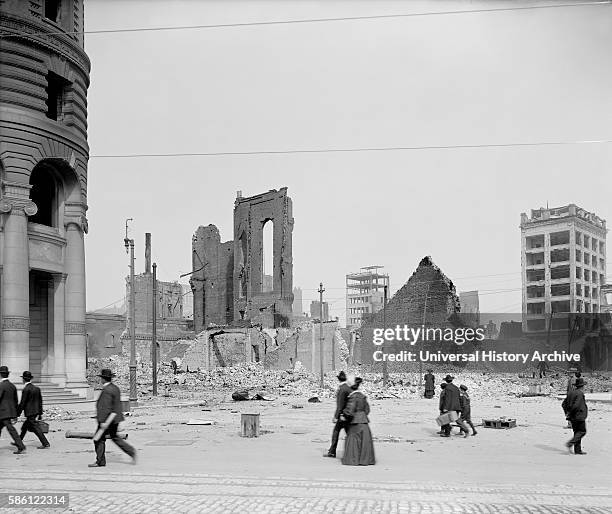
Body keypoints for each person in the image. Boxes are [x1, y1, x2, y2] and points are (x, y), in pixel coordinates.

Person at [89, 369, 136, 467]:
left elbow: (105, 407)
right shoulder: (115, 388)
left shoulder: (107, 390)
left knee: (98, 440)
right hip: (115, 418)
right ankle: (131, 451)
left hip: (107, 419)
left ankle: (100, 461)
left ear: (103, 379)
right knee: (114, 437)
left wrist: (102, 421)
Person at [341, 377, 375, 466]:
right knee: (365, 442)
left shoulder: (352, 397)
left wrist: (343, 414)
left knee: (353, 442)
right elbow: (367, 410)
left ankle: (353, 460)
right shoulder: (362, 396)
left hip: (355, 422)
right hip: (364, 421)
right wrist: (362, 415)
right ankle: (365, 460)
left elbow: (350, 411)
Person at [16, 371, 49, 449]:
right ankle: (18, 441)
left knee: (36, 428)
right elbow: (40, 401)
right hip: (36, 411)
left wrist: (18, 413)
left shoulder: (26, 389)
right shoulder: (37, 388)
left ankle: (45, 443)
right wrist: (40, 413)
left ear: (23, 379)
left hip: (29, 412)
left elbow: (22, 403)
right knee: (24, 427)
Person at [324, 371, 352, 458]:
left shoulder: (342, 389)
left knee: (336, 432)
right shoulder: (347, 387)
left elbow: (340, 405)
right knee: (349, 433)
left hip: (343, 415)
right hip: (348, 414)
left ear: (338, 379)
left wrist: (336, 416)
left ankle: (332, 451)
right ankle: (355, 450)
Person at [0, 366, 26, 454]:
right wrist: (15, 413)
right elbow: (15, 401)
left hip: (3, 412)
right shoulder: (12, 386)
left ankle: (21, 446)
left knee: (11, 429)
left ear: (0, 375)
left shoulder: (1, 385)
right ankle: (21, 446)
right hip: (9, 412)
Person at [562, 377, 588, 455]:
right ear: (582, 386)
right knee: (582, 431)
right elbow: (576, 405)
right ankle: (570, 443)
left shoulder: (571, 393)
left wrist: (567, 412)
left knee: (577, 432)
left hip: (573, 417)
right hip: (579, 416)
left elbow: (563, 404)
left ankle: (578, 450)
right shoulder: (580, 394)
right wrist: (573, 412)